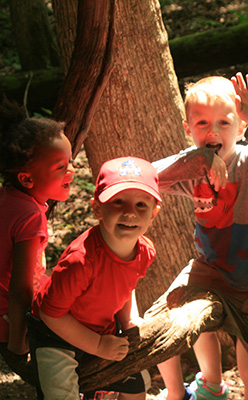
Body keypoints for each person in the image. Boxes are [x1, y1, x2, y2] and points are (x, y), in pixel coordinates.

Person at [154, 72, 248, 400]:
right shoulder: (192, 168)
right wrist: (198, 159)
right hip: (208, 271)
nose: (212, 131)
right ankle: (198, 390)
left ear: (240, 127)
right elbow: (149, 177)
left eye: (224, 123)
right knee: (161, 321)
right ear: (188, 129)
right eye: (201, 123)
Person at [27, 157, 167, 400]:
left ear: (154, 213)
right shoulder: (81, 261)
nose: (129, 213)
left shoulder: (145, 251)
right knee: (60, 392)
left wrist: (129, 320)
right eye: (119, 202)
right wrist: (98, 346)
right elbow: (51, 314)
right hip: (54, 331)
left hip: (102, 327)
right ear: (97, 209)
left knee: (136, 386)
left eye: (141, 205)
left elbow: (126, 286)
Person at [0, 98, 75, 385]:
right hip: (12, 321)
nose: (71, 171)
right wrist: (18, 343)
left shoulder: (7, 198)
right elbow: (19, 287)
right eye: (60, 167)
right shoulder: (30, 216)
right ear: (27, 179)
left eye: (70, 162)